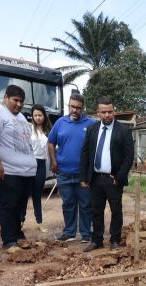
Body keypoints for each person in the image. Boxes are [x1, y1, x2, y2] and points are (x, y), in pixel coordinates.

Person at [0, 85, 36, 253]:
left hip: (24, 171)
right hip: (6, 170)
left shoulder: (20, 117)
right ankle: (9, 241)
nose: (19, 104)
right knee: (8, 205)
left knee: (20, 206)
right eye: (15, 100)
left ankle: (18, 235)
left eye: (21, 101)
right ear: (6, 98)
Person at [80, 96, 134, 251]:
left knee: (116, 210)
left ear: (114, 111)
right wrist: (83, 176)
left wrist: (119, 177)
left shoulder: (123, 131)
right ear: (98, 113)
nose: (107, 115)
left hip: (113, 180)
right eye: (103, 112)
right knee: (96, 211)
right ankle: (96, 240)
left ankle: (115, 240)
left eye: (110, 111)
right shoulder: (92, 129)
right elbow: (85, 153)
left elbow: (129, 156)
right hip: (96, 178)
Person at [47, 93, 96, 242]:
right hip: (64, 173)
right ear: (68, 106)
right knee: (68, 204)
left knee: (86, 205)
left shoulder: (91, 124)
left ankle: (86, 234)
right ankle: (69, 232)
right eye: (72, 107)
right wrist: (54, 162)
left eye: (78, 108)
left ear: (83, 108)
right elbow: (50, 143)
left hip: (83, 175)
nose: (75, 110)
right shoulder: (60, 123)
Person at [23, 104, 52, 233]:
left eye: (40, 115)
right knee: (24, 194)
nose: (38, 117)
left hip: (41, 165)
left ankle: (39, 222)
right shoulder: (28, 129)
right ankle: (20, 221)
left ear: (44, 116)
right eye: (35, 115)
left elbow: (52, 148)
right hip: (29, 163)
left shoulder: (49, 130)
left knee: (37, 195)